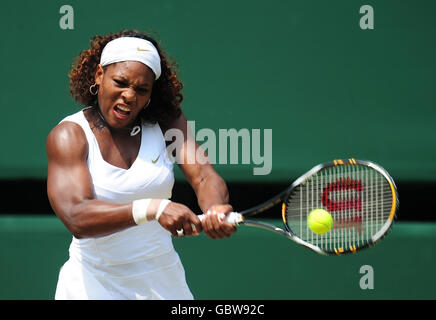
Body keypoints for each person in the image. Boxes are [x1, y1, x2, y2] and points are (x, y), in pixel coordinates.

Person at [46, 29, 236, 300]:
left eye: (141, 89)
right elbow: (76, 215)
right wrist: (153, 208)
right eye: (120, 82)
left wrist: (215, 207)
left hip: (163, 282)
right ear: (99, 75)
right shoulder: (69, 135)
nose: (129, 96)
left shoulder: (166, 121)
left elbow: (204, 176)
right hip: (91, 286)